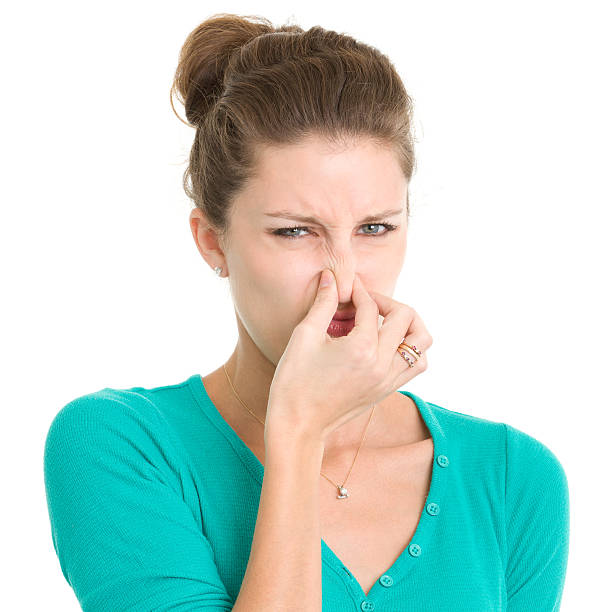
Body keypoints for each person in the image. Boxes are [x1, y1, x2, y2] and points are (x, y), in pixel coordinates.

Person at [43, 12, 570, 611]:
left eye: (375, 227)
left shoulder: (513, 478)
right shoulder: (120, 445)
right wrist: (298, 432)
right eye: (295, 232)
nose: (344, 278)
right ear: (213, 240)